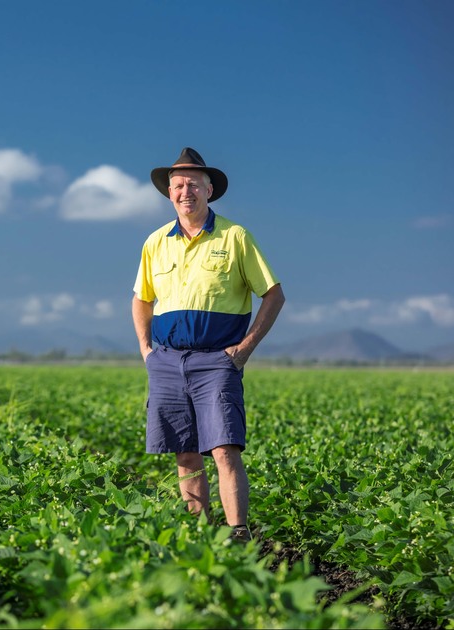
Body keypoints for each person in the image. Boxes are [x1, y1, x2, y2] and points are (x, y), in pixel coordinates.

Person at [131, 147, 285, 541]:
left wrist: (244, 349)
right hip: (166, 361)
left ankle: (237, 533)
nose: (186, 192)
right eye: (179, 185)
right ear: (169, 193)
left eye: (194, 185)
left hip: (217, 361)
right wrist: (147, 350)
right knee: (184, 452)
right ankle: (201, 535)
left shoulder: (235, 237)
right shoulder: (155, 242)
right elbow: (141, 298)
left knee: (223, 449)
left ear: (209, 190)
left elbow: (273, 294)